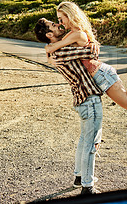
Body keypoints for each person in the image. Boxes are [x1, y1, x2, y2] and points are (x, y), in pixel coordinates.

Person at [44, 1, 127, 112]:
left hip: (101, 75)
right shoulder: (74, 33)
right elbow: (57, 50)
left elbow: (53, 48)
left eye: (61, 19)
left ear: (69, 15)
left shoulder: (76, 34)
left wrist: (48, 54)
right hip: (101, 73)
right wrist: (50, 58)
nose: (60, 23)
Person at [35, 19, 104, 195]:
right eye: (54, 25)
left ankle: (79, 177)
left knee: (84, 141)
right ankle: (87, 187)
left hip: (82, 100)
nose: (58, 25)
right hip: (88, 98)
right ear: (49, 35)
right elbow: (91, 51)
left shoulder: (57, 51)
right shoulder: (62, 51)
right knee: (90, 143)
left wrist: (48, 50)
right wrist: (49, 50)